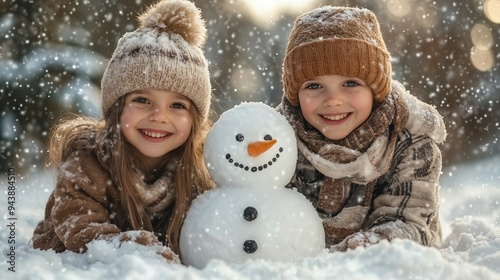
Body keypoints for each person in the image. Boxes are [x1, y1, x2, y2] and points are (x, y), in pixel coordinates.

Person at [31, 0, 213, 262]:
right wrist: (138, 249)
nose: (159, 116)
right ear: (116, 107)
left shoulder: (197, 174)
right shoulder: (86, 164)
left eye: (177, 105)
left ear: (195, 119)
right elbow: (80, 227)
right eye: (142, 100)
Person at [278, 6, 447, 251]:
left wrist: (373, 243)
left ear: (375, 91)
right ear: (295, 95)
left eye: (350, 83)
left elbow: (411, 224)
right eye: (314, 86)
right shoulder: (277, 140)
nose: (333, 99)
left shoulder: (409, 144)